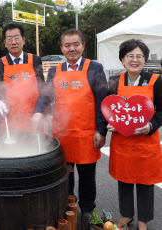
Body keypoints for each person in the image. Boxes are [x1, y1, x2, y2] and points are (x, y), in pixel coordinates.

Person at [46, 29, 108, 228]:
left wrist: (101, 130)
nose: (72, 48)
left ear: (83, 45)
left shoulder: (95, 68)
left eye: (76, 44)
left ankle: (88, 210)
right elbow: (46, 97)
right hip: (63, 134)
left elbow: (102, 101)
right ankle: (67, 207)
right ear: (61, 47)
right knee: (66, 175)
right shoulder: (54, 71)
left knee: (88, 176)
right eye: (67, 45)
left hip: (87, 134)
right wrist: (39, 114)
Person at [107, 39, 162, 230]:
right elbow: (111, 108)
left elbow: (161, 110)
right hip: (123, 141)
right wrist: (112, 123)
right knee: (124, 179)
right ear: (122, 59)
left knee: (146, 182)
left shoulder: (156, 80)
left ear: (145, 59)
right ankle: (127, 215)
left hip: (146, 141)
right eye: (130, 56)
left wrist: (151, 125)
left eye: (139, 56)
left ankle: (143, 220)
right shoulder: (115, 81)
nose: (134, 60)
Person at [0, 23, 47, 132]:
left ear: (23, 40)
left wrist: (40, 111)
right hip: (10, 120)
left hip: (33, 118)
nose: (13, 42)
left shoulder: (35, 60)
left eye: (16, 38)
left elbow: (43, 90)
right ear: (5, 43)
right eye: (9, 39)